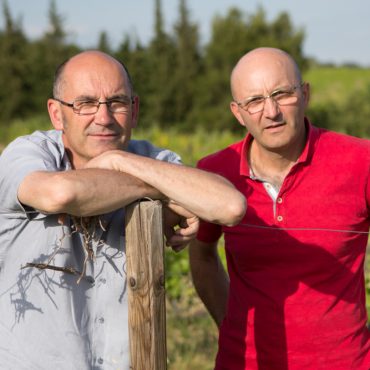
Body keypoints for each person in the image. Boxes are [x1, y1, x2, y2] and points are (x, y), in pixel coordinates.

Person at [0, 50, 246, 370]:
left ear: (135, 109)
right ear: (57, 114)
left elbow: (230, 205)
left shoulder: (145, 157)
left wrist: (120, 161)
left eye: (116, 102)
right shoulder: (30, 154)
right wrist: (153, 189)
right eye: (85, 103)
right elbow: (58, 194)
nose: (103, 117)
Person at [189, 47, 370, 369]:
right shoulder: (215, 171)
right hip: (242, 362)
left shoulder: (360, 160)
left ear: (305, 94)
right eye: (254, 101)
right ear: (237, 112)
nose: (270, 111)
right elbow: (202, 253)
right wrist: (230, 325)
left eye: (282, 94)